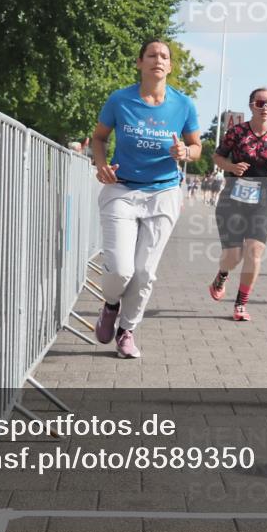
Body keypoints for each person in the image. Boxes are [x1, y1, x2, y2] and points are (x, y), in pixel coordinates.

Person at [91, 40, 202, 358]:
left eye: (164, 56)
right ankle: (110, 304)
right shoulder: (120, 99)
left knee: (144, 272)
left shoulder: (183, 105)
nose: (158, 59)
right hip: (121, 190)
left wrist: (185, 152)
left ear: (170, 66)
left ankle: (127, 331)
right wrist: (100, 165)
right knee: (121, 270)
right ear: (139, 62)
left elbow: (196, 147)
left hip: (163, 193)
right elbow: (99, 137)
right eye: (152, 55)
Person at [208, 87, 267, 321]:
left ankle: (240, 304)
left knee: (255, 251)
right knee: (234, 255)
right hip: (233, 197)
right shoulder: (236, 132)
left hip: (263, 199)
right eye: (261, 103)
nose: (265, 107)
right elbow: (217, 156)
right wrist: (230, 167)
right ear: (251, 105)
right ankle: (222, 274)